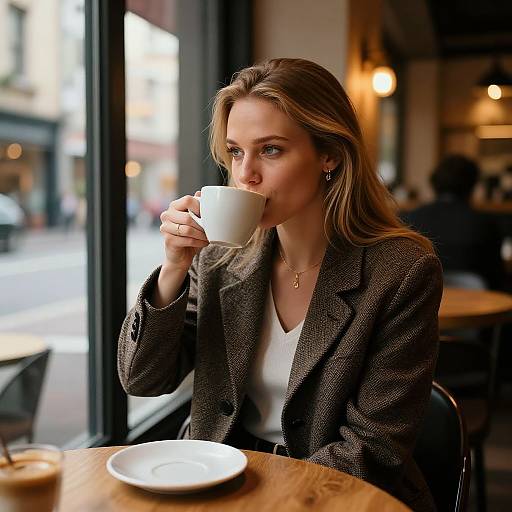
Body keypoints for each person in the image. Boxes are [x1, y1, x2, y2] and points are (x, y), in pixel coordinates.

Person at [118, 58, 442, 511]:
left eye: (270, 150)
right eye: (235, 152)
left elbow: (374, 449)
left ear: (328, 153)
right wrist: (173, 268)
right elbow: (142, 379)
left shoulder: (402, 269)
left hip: (335, 495)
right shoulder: (217, 259)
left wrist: (262, 499)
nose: (245, 173)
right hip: (215, 479)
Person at [402, 154, 505, 290]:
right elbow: (496, 276)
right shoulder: (485, 222)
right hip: (476, 303)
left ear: (434, 183)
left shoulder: (410, 218)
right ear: (472, 185)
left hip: (422, 301)